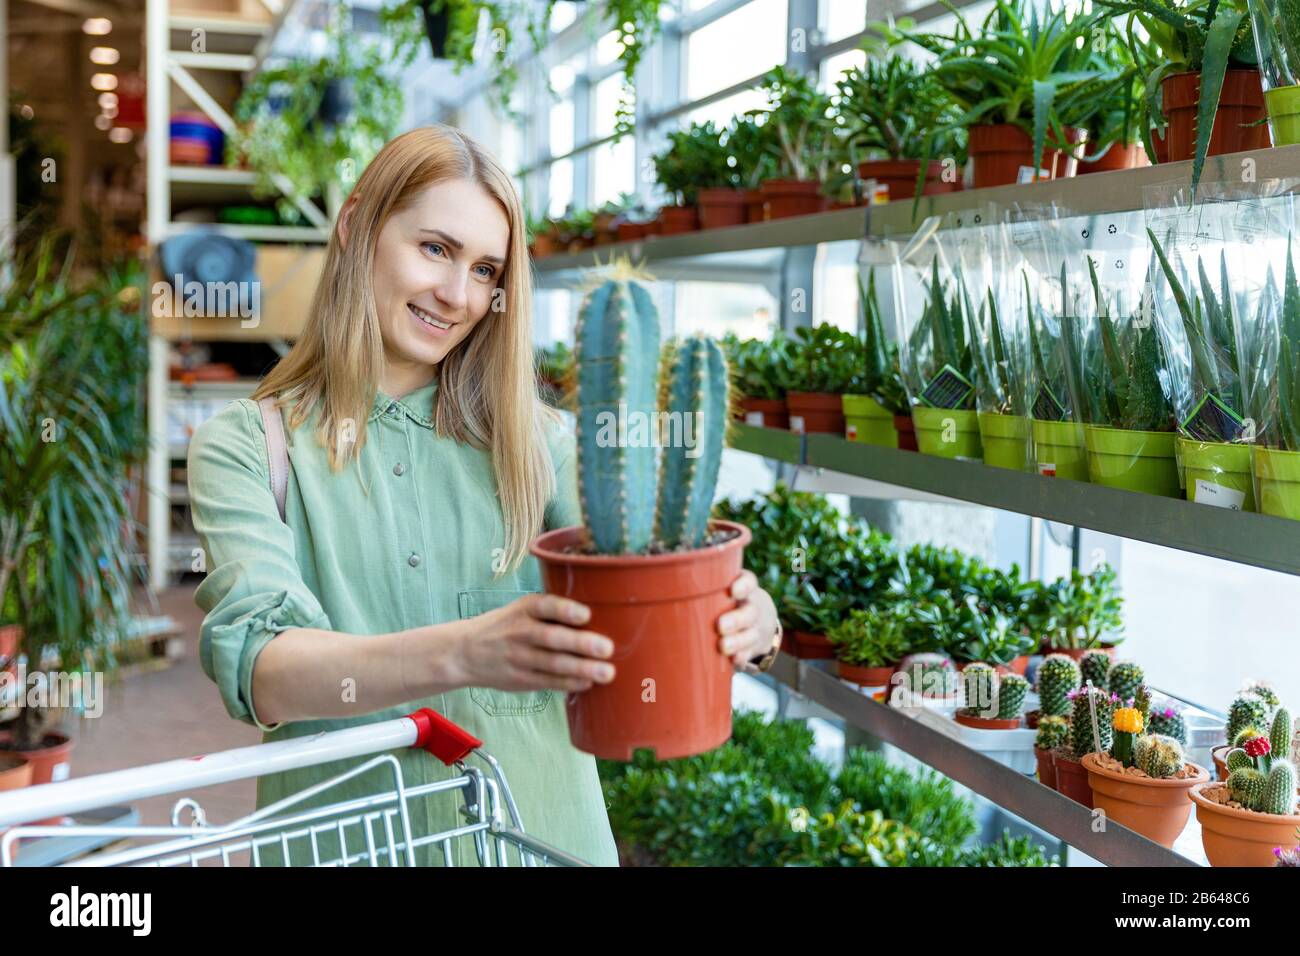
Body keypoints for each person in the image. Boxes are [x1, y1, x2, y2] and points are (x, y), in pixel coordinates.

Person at [187, 124, 782, 867]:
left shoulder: (544, 446)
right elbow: (263, 673)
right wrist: (468, 651)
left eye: (485, 270)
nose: (456, 295)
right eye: (435, 249)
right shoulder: (248, 448)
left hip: (542, 842)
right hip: (347, 846)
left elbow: (648, 582)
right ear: (356, 226)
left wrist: (746, 619)